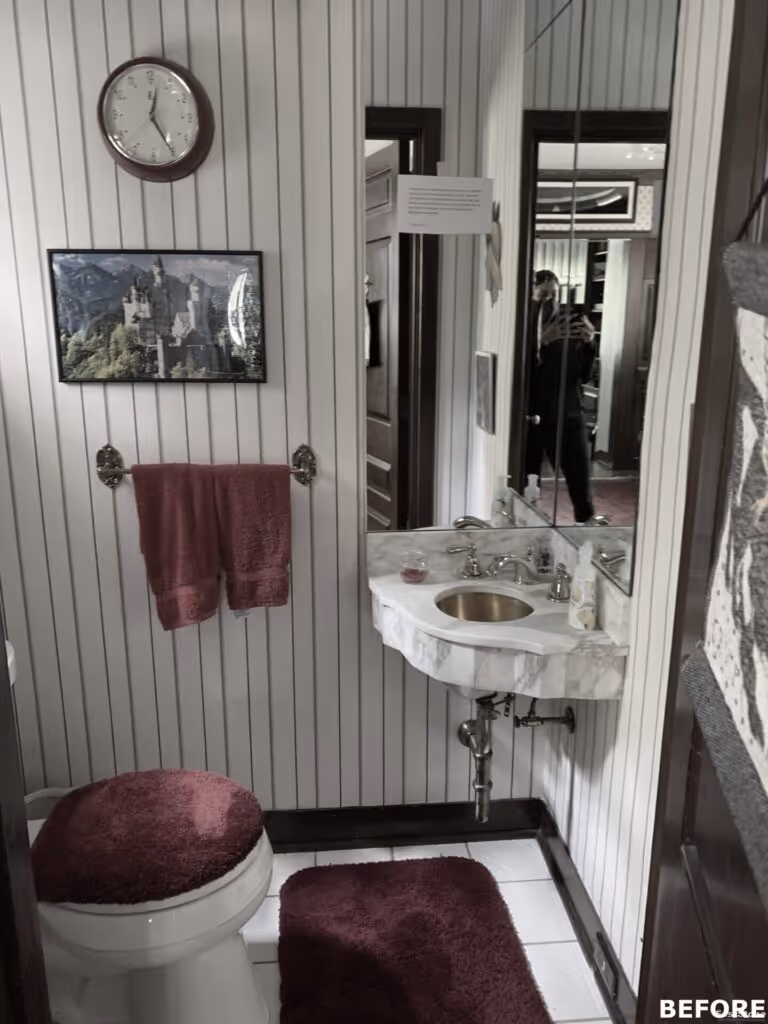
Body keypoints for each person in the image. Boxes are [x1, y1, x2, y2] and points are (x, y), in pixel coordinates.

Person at [526, 269, 596, 523]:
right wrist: (539, 342)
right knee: (528, 490)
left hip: (570, 415)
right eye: (543, 295)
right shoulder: (523, 326)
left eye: (554, 295)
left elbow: (585, 375)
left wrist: (589, 343)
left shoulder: (570, 325)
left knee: (582, 491)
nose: (550, 301)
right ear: (531, 296)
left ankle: (585, 533)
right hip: (533, 419)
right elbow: (521, 375)